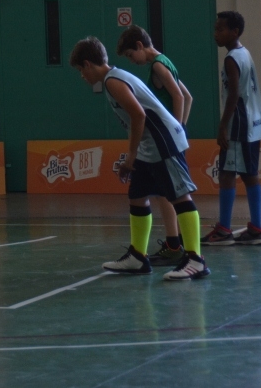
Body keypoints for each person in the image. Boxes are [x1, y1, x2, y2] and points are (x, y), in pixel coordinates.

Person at [70, 37, 208, 281]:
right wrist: (134, 154)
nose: (82, 76)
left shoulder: (113, 81)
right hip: (149, 146)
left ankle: (196, 260)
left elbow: (138, 115)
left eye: (81, 70)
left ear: (89, 64)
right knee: (137, 195)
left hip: (163, 142)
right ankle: (138, 257)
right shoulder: (114, 77)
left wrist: (130, 156)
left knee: (179, 196)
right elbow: (135, 120)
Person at [117, 25, 194, 266]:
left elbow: (178, 97)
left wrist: (175, 130)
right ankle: (174, 243)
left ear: (140, 45)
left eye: (130, 55)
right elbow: (188, 96)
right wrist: (181, 127)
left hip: (165, 141)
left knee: (170, 194)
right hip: (169, 138)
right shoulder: (165, 61)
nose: (132, 61)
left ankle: (177, 246)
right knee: (163, 193)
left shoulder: (158, 67)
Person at [202, 11, 261, 246]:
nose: (216, 34)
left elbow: (234, 94)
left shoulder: (232, 58)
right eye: (215, 29)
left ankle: (224, 230)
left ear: (235, 32)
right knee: (249, 174)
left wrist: (223, 126)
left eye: (220, 29)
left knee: (227, 173)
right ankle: (257, 228)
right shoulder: (244, 53)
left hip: (239, 122)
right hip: (252, 122)